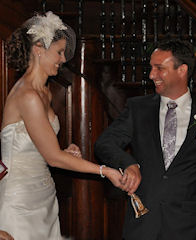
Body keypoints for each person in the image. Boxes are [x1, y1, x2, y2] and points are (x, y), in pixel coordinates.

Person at [0, 11, 123, 240]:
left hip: (44, 196)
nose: (63, 59)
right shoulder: (27, 95)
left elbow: (40, 148)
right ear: (38, 49)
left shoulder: (45, 92)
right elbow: (53, 158)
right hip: (20, 201)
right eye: (58, 52)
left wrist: (64, 152)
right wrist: (104, 171)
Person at [94, 39, 196, 240]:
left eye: (159, 68)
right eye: (151, 68)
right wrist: (129, 163)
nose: (151, 75)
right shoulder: (138, 108)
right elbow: (104, 143)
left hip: (185, 227)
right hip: (142, 225)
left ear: (182, 70)